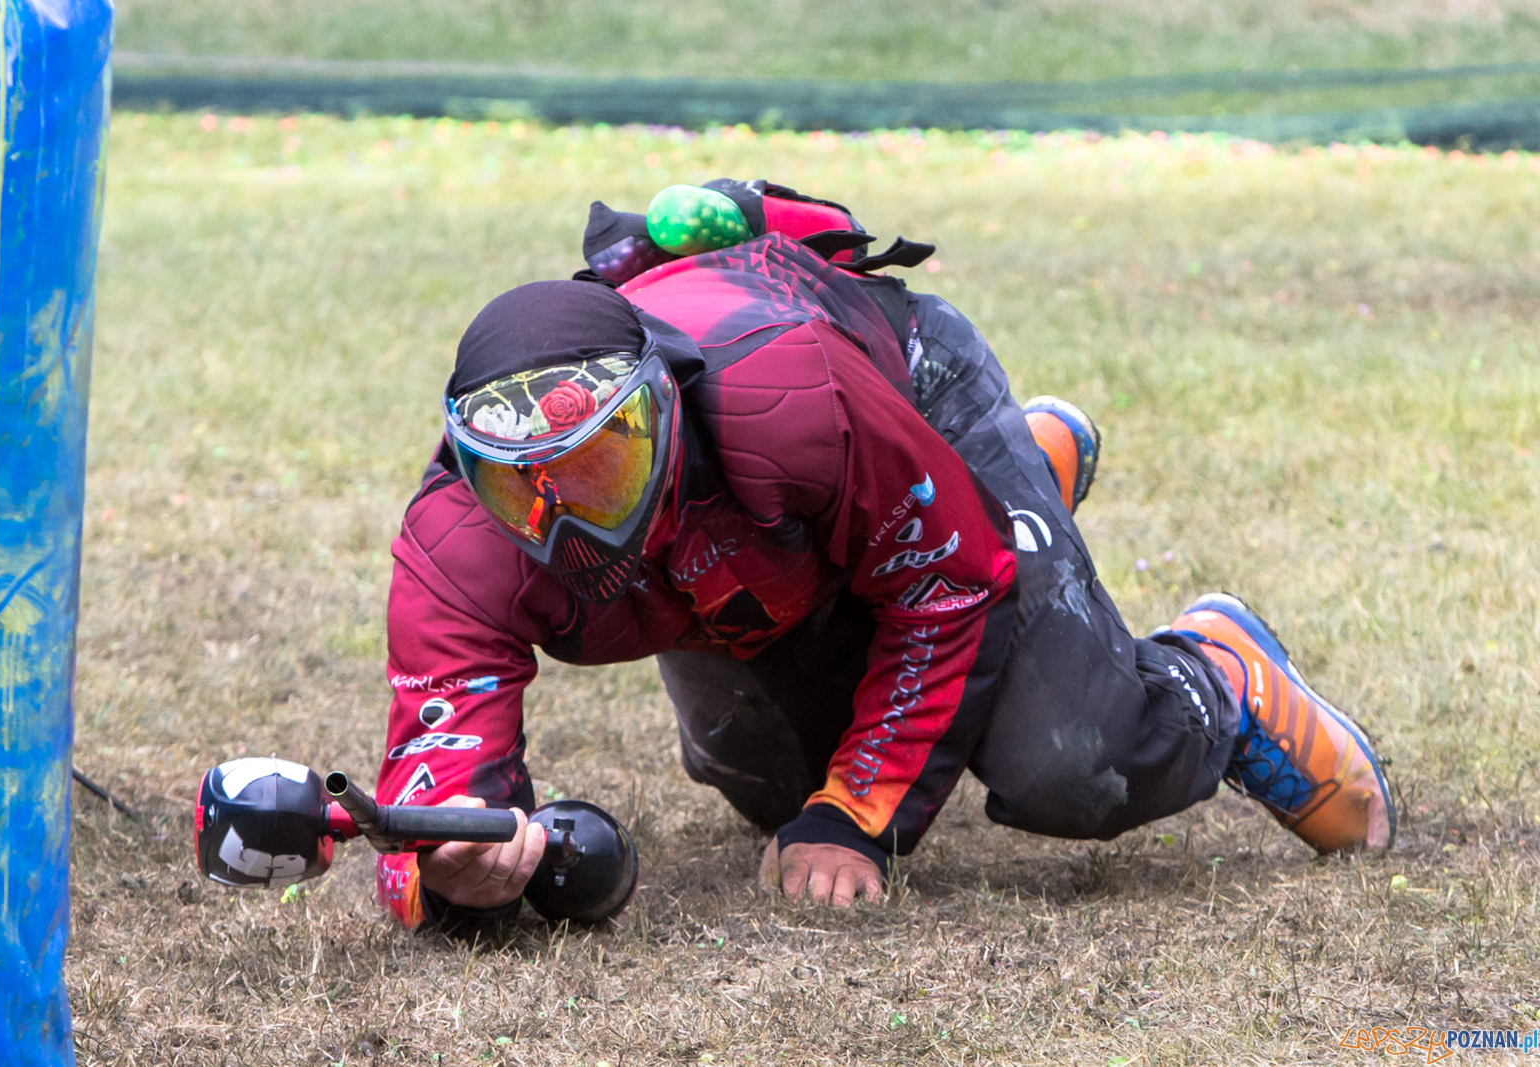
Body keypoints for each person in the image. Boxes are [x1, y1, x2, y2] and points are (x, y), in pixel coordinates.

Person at [371, 180, 1395, 930]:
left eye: (601, 465)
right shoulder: (455, 545)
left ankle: (1219, 677)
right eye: (523, 485)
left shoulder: (790, 399)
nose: (568, 522)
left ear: (662, 409)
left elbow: (949, 588)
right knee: (775, 795)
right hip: (759, 551)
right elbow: (433, 777)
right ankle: (1009, 483)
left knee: (1071, 764)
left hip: (901, 396)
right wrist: (453, 867)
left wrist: (862, 815)